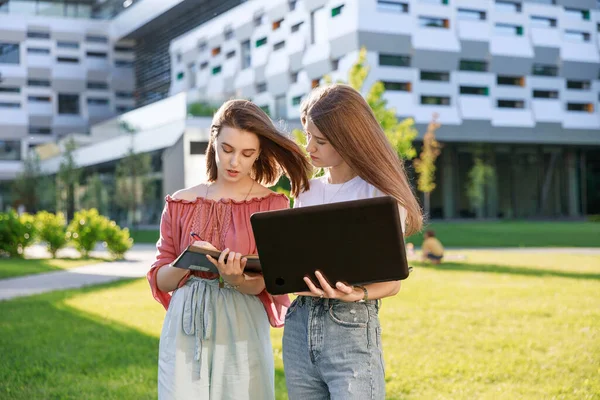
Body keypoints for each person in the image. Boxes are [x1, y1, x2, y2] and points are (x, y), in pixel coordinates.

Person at [147, 99, 311, 400]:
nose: (235, 162)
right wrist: (188, 258)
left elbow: (268, 280)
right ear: (214, 140)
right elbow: (160, 278)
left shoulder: (272, 205)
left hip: (241, 322)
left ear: (259, 152)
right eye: (227, 149)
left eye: (247, 153)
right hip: (185, 324)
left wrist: (237, 279)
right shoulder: (181, 202)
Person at [282, 84, 423, 400]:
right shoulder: (306, 191)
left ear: (348, 140)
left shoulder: (379, 195)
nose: (309, 148)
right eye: (307, 137)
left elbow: (393, 282)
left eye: (320, 141)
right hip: (299, 325)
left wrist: (355, 293)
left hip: (350, 326)